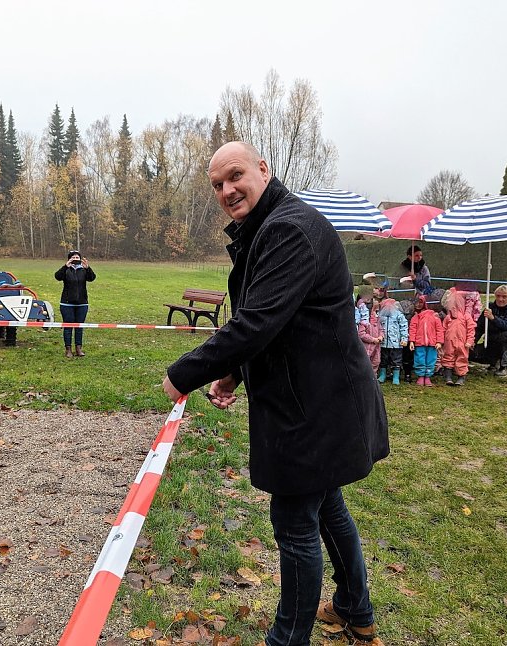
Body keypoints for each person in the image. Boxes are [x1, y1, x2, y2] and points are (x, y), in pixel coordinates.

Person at [161, 142, 388, 646]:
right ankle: (356, 608)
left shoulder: (287, 229)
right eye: (217, 185)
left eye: (235, 176)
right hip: (315, 402)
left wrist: (185, 373)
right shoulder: (268, 227)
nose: (226, 190)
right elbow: (278, 318)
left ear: (264, 169)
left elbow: (256, 322)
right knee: (326, 507)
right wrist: (233, 375)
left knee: (295, 523)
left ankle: (288, 639)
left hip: (316, 409)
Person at [471, 285, 507, 377]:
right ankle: (493, 361)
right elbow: (479, 327)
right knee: (467, 352)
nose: (500, 299)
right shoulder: (489, 308)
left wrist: (493, 318)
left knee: (506, 336)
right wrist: (472, 341)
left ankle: (504, 366)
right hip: (490, 344)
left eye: (504, 296)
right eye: (498, 296)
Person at [54, 250, 96, 358]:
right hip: (67, 303)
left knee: (79, 326)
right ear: (69, 259)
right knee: (68, 326)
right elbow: (57, 277)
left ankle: (78, 348)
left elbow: (92, 278)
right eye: (73, 258)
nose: (76, 259)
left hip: (82, 303)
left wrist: (88, 268)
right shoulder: (66, 270)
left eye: (78, 257)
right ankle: (68, 349)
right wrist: (65, 267)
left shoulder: (84, 270)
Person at [440, 291, 475, 386]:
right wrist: (441, 341)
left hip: (462, 343)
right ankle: (448, 376)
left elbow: (471, 330)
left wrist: (469, 341)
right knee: (448, 356)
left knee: (462, 358)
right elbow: (443, 329)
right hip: (449, 342)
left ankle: (461, 376)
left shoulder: (466, 317)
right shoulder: (448, 317)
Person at [408, 295, 444, 386]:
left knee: (431, 360)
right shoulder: (416, 317)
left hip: (432, 343)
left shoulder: (435, 317)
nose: (419, 305)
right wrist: (412, 341)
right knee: (420, 359)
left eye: (421, 302)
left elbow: (439, 330)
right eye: (418, 302)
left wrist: (439, 342)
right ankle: (420, 376)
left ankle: (427, 377)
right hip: (420, 343)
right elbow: (412, 329)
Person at [377, 298, 409, 385]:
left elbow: (404, 327)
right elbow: (377, 327)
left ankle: (396, 377)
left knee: (396, 360)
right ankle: (382, 375)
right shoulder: (380, 316)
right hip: (383, 343)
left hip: (396, 344)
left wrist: (404, 339)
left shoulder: (399, 315)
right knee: (383, 359)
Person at [358, 291, 383, 377]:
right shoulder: (364, 321)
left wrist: (381, 336)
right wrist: (373, 339)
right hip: (366, 347)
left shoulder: (377, 319)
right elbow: (361, 334)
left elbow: (381, 329)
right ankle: (364, 378)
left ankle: (373, 377)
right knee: (365, 362)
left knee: (376, 361)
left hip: (376, 347)